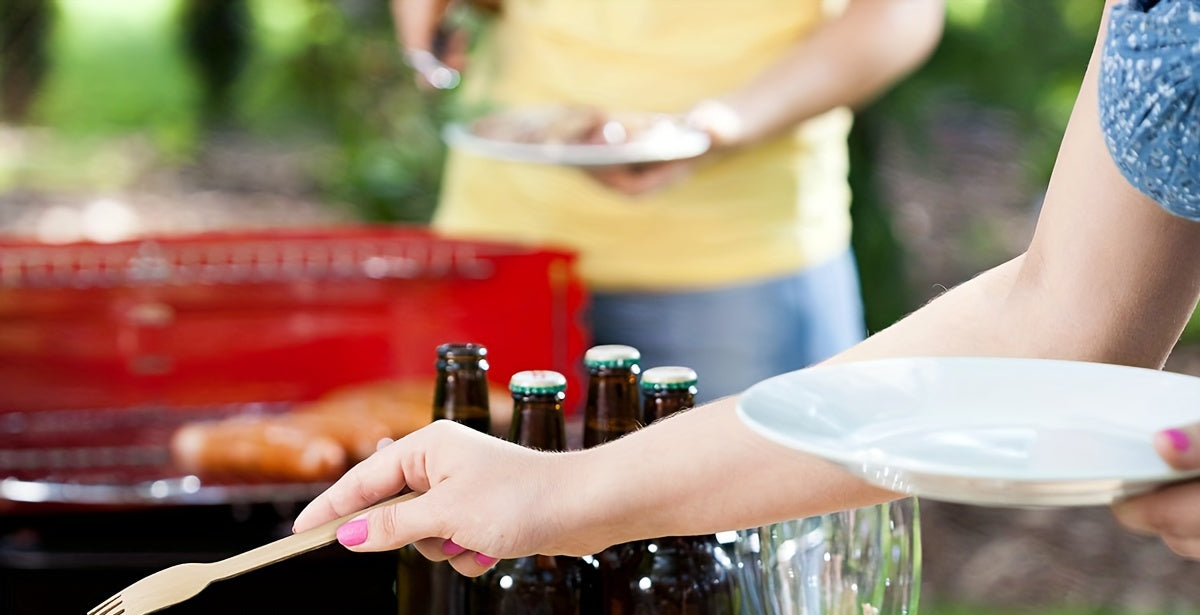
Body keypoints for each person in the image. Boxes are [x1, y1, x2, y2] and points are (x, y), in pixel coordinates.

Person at [303, 0, 1200, 565]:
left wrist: (714, 125)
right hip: (509, 223)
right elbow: (1054, 328)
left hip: (741, 249)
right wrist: (560, 495)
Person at [392, 0, 946, 401]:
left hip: (735, 263)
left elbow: (900, 12)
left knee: (741, 544)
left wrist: (726, 125)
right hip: (504, 244)